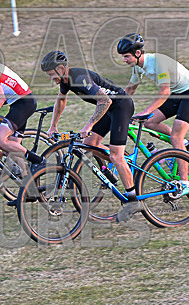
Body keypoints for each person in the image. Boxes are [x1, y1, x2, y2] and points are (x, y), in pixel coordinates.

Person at [40, 50, 136, 202]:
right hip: (109, 108)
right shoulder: (65, 81)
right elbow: (61, 100)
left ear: (61, 68)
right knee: (89, 144)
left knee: (115, 155)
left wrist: (88, 126)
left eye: (52, 74)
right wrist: (53, 126)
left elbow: (105, 101)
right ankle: (123, 163)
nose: (51, 78)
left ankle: (133, 199)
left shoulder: (79, 78)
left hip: (121, 106)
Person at [118, 33, 189, 196]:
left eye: (126, 56)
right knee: (150, 123)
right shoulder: (138, 66)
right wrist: (115, 104)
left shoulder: (158, 62)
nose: (124, 60)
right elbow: (130, 89)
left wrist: (145, 112)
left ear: (137, 53)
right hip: (177, 94)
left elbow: (165, 91)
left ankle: (184, 184)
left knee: (175, 137)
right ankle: (183, 145)